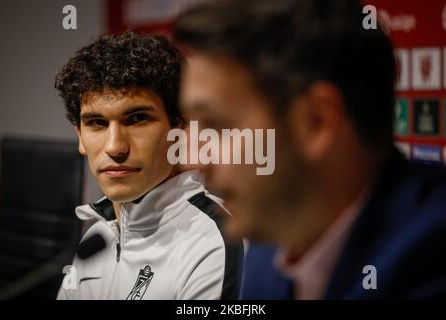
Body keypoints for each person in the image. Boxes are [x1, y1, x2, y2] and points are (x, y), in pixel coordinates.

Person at [174, 0, 446, 299]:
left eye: (215, 127)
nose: (193, 159)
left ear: (316, 122)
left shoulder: (430, 260)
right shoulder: (274, 242)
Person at [54, 32, 242, 299]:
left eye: (137, 118)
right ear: (80, 138)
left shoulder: (213, 240)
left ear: (180, 129)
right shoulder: (95, 238)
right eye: (97, 123)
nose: (115, 147)